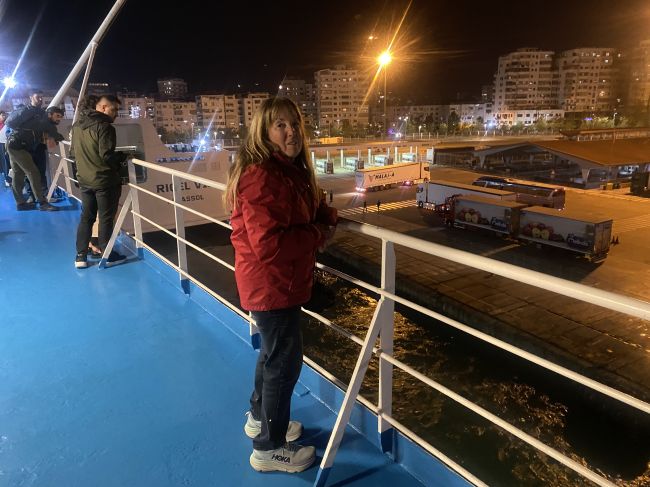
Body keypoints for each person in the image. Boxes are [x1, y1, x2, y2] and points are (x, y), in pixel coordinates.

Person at [226, 97, 337, 473]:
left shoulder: (285, 170)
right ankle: (269, 449)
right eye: (281, 126)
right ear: (265, 132)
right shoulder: (264, 176)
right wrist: (318, 233)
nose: (291, 132)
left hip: (274, 284)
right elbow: (269, 244)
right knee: (284, 365)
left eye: (295, 124)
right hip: (272, 285)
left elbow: (300, 210)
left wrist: (325, 216)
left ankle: (261, 418)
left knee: (272, 357)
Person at [72, 94, 128, 269]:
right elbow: (106, 155)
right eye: (114, 109)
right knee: (105, 219)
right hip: (104, 181)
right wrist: (122, 157)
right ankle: (107, 253)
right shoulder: (105, 127)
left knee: (86, 218)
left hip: (85, 180)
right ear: (103, 107)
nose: (116, 114)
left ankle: (80, 256)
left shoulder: (77, 126)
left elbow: (72, 154)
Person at [5, 92, 63, 211]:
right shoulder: (35, 114)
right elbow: (50, 131)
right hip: (18, 146)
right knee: (33, 172)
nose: (40, 99)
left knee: (18, 174)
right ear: (31, 97)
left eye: (42, 96)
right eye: (38, 97)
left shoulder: (37, 114)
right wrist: (58, 137)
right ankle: (42, 203)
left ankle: (20, 203)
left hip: (14, 144)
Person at [0, 111, 9, 187]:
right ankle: (7, 179)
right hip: (1, 144)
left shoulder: (7, 124)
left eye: (4, 115)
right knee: (4, 161)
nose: (4, 116)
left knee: (8, 161)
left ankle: (9, 177)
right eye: (2, 115)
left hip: (7, 143)